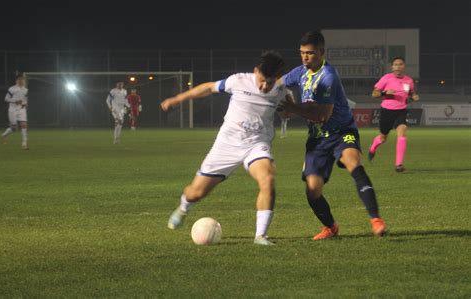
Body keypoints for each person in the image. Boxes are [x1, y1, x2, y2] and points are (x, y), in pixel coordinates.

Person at [161, 51, 288, 246]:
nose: (264, 86)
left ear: (276, 79)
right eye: (261, 80)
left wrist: (291, 111)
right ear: (255, 72)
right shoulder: (238, 80)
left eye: (269, 83)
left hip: (256, 145)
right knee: (196, 192)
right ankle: (183, 208)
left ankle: (260, 236)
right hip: (226, 145)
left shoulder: (281, 91)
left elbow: (290, 111)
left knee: (268, 178)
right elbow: (208, 88)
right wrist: (177, 99)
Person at [279, 31, 387, 240]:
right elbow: (277, 84)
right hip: (317, 139)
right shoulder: (300, 72)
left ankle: (376, 221)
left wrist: (293, 108)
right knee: (312, 190)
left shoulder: (328, 76)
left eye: (310, 53)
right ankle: (331, 227)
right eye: (302, 53)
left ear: (321, 52)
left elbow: (322, 115)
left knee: (353, 163)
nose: (305, 57)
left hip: (341, 131)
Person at [368, 57, 420, 172]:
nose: (398, 66)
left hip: (401, 111)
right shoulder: (386, 78)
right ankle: (372, 147)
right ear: (392, 67)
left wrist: (414, 97)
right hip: (387, 111)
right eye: (395, 64)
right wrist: (384, 92)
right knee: (383, 138)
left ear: (404, 66)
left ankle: (399, 165)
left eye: (400, 64)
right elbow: (374, 94)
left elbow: (411, 93)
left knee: (402, 133)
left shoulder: (409, 80)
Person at [1, 75, 29, 150]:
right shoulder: (12, 89)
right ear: (17, 80)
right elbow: (6, 99)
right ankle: (4, 135)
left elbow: (25, 99)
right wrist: (15, 101)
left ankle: (24, 143)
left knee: (24, 125)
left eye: (23, 79)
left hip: (21, 109)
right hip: (12, 109)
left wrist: (25, 103)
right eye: (20, 79)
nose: (22, 81)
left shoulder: (25, 89)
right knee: (14, 128)